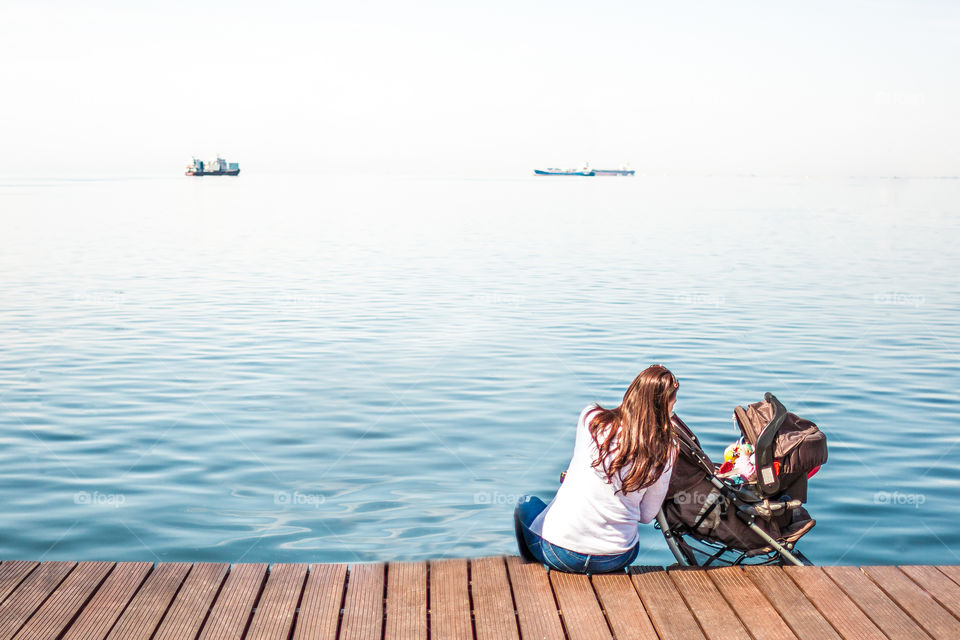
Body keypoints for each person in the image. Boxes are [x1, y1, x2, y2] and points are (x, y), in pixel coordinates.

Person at [514, 364, 679, 573]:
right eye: (673, 401)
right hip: (617, 556)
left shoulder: (591, 418)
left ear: (632, 393)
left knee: (525, 503)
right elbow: (646, 516)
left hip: (560, 553)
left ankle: (530, 571)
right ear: (666, 405)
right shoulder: (667, 451)